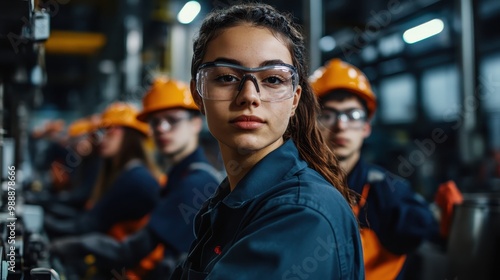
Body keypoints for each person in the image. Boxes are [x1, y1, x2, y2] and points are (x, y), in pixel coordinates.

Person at [170, 3, 364, 279]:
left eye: (273, 79)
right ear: (198, 94)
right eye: (226, 77)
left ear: (294, 100)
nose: (249, 95)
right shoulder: (228, 201)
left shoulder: (301, 214)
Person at [51, 78, 223, 279]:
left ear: (195, 124)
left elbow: (132, 250)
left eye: (172, 120)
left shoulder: (196, 183)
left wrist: (68, 247)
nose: (161, 128)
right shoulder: (180, 176)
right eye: (155, 121)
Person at [310, 58, 440, 279]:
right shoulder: (293, 186)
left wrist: (447, 225)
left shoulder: (387, 191)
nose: (340, 126)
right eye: (327, 115)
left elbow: (427, 230)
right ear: (310, 124)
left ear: (366, 127)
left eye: (353, 115)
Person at [45, 102, 161, 239]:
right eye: (100, 132)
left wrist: (44, 219)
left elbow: (91, 224)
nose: (101, 139)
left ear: (131, 134)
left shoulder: (137, 179)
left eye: (110, 130)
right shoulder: (123, 172)